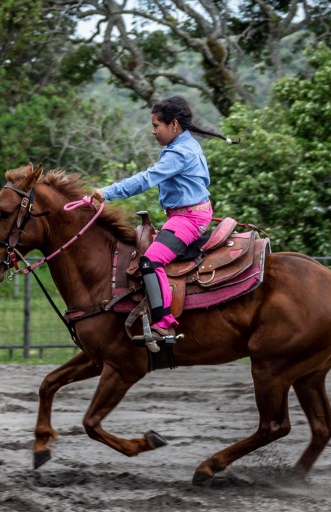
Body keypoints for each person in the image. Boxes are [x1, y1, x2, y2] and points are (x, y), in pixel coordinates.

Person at [91, 96, 237, 344]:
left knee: (150, 261)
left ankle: (163, 323)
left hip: (188, 219)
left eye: (157, 125)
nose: (153, 131)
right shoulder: (185, 145)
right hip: (186, 216)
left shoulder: (179, 153)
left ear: (174, 125)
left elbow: (145, 180)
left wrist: (106, 193)